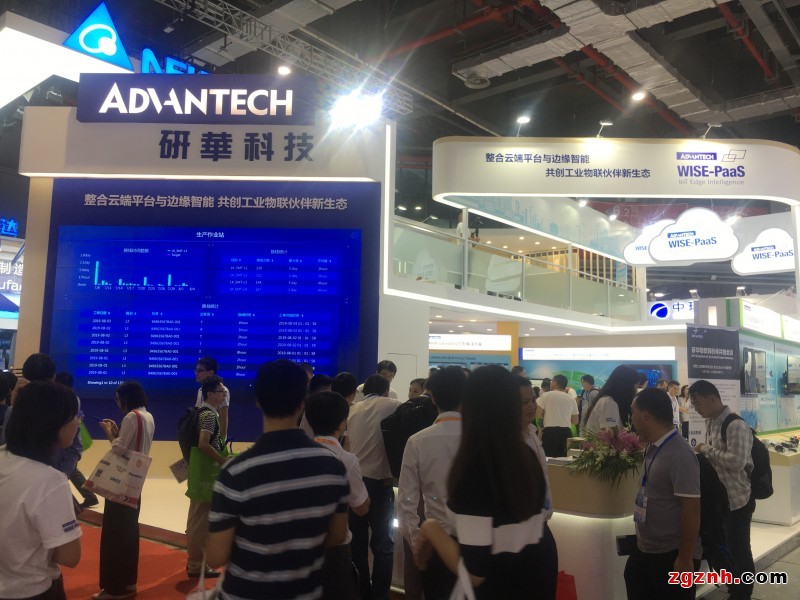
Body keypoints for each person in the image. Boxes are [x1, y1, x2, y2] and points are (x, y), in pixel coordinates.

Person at [206, 360, 350, 600]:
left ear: (258, 401)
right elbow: (338, 535)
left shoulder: (235, 472)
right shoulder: (333, 466)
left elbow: (215, 556)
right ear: (303, 402)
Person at [415, 365, 546, 599]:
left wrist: (430, 528)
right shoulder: (525, 455)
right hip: (532, 579)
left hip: (496, 588)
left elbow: (475, 572)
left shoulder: (475, 470)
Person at [0, 381, 82, 600]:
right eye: (74, 416)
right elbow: (70, 556)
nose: (77, 423)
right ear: (55, 424)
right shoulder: (49, 481)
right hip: (31, 590)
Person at [398, 367, 468, 600]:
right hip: (478, 546)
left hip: (437, 545)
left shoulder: (418, 441)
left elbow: (406, 503)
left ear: (433, 398)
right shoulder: (481, 437)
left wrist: (419, 544)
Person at [625, 388, 701, 599]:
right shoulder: (654, 445)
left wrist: (685, 558)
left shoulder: (679, 453)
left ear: (645, 415)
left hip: (671, 553)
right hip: (646, 548)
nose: (631, 419)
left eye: (633, 413)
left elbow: (691, 507)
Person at [689, 380, 754, 600]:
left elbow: (736, 461)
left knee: (739, 551)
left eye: (698, 403)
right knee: (719, 547)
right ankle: (735, 589)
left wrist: (705, 449)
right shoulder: (711, 422)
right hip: (719, 499)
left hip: (738, 499)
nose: (696, 408)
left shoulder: (735, 425)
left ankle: (743, 594)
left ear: (712, 398)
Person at [305, 391, 370, 600]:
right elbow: (362, 507)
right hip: (335, 552)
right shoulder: (346, 459)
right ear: (343, 423)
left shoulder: (299, 454)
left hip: (301, 549)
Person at [94, 381, 155, 600]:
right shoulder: (148, 416)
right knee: (129, 533)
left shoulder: (131, 417)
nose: (117, 402)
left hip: (119, 481)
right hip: (135, 483)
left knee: (114, 534)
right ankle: (128, 582)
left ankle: (114, 588)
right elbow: (134, 446)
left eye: (118, 398)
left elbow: (119, 449)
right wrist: (118, 432)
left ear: (126, 397)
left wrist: (109, 433)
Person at [347, 374, 402, 600]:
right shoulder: (393, 405)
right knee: (383, 545)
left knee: (357, 545)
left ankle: (361, 593)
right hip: (381, 485)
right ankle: (380, 596)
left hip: (355, 484)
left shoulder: (352, 410)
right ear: (386, 390)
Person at [518, 376, 558, 600]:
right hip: (518, 534)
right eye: (524, 402)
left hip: (541, 527)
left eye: (532, 400)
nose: (531, 406)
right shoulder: (505, 441)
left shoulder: (532, 433)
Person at [185, 375, 227, 579]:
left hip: (198, 471)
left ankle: (195, 562)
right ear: (210, 394)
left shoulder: (202, 413)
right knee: (201, 520)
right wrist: (222, 460)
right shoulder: (209, 416)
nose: (224, 394)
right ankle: (196, 564)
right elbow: (203, 443)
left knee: (196, 517)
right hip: (205, 473)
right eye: (221, 391)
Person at [55, 371, 99, 510]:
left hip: (68, 444)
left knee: (62, 477)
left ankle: (77, 506)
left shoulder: (66, 400)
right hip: (72, 444)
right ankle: (88, 497)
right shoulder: (74, 398)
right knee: (71, 471)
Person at [584, 365, 639, 434]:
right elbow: (610, 436)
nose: (636, 390)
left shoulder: (607, 400)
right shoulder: (609, 403)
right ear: (626, 386)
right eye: (634, 386)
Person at [535, 374, 578, 457]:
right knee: (564, 459)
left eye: (552, 381)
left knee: (548, 459)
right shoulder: (571, 399)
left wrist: (546, 416)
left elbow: (538, 413)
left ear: (555, 383)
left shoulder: (545, 396)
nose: (550, 383)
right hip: (566, 433)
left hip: (550, 433)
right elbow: (575, 421)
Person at [193, 357, 230, 443]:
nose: (196, 373)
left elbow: (223, 418)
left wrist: (222, 441)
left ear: (210, 373)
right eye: (196, 370)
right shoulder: (200, 390)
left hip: (214, 439)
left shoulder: (222, 391)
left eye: (200, 370)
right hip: (201, 436)